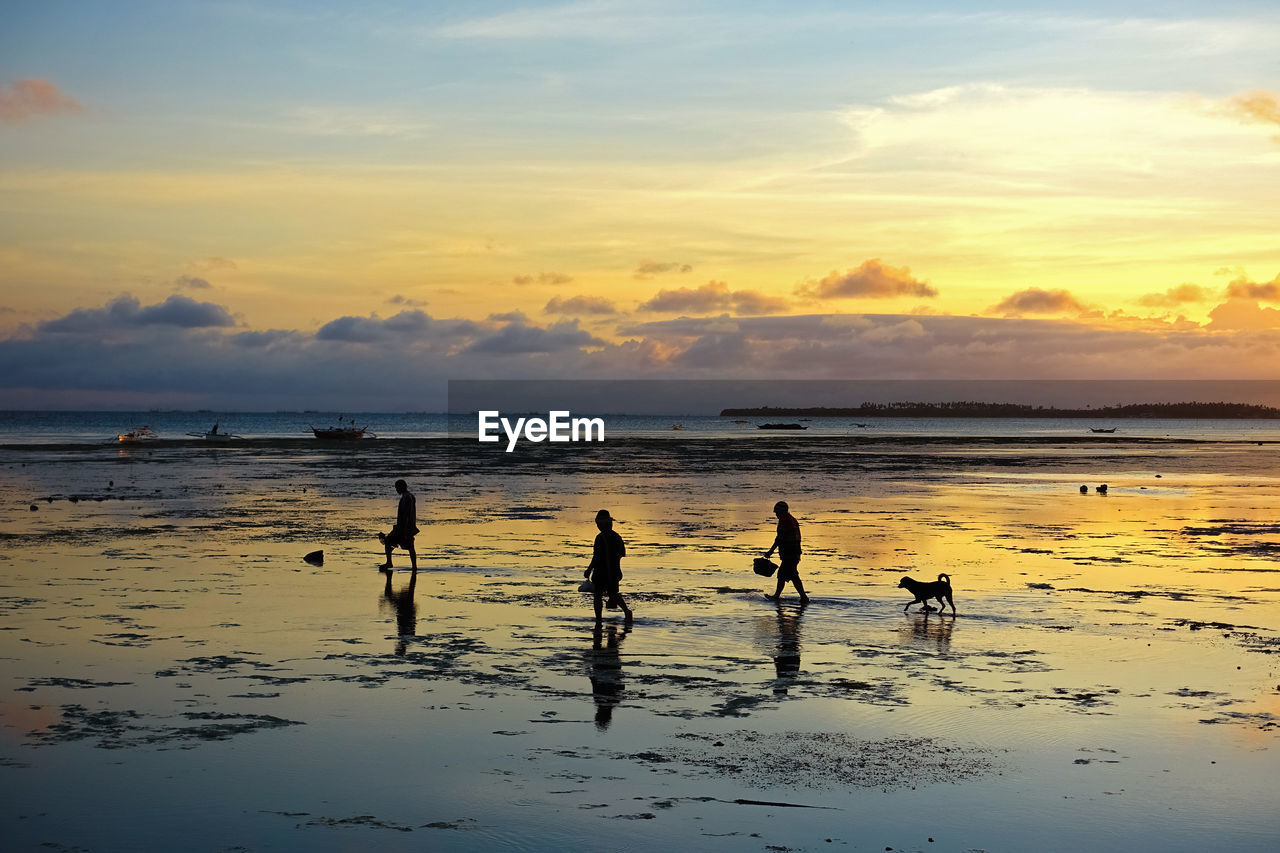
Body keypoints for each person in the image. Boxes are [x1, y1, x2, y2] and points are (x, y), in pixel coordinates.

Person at [585, 509, 632, 622]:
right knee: (613, 594)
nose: (598, 525)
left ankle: (599, 619)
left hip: (601, 571)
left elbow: (596, 557)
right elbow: (621, 554)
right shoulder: (617, 537)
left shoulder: (600, 538)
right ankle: (627, 612)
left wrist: (589, 569)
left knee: (598, 595)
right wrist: (617, 569)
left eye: (599, 523)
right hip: (614, 571)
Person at [764, 500, 809, 605]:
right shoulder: (787, 519)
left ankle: (803, 597)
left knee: (788, 575)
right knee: (787, 574)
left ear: (782, 512)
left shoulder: (787, 521)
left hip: (791, 553)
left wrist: (770, 551)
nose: (776, 515)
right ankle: (799, 597)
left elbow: (780, 538)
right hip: (791, 553)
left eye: (777, 513)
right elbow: (780, 538)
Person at [379, 479, 418, 571]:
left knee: (388, 541)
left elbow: (405, 515)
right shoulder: (410, 496)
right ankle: (414, 567)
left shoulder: (406, 498)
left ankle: (389, 563)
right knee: (410, 547)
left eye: (397, 488)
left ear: (402, 487)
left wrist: (403, 530)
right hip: (408, 527)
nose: (396, 490)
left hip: (404, 527)